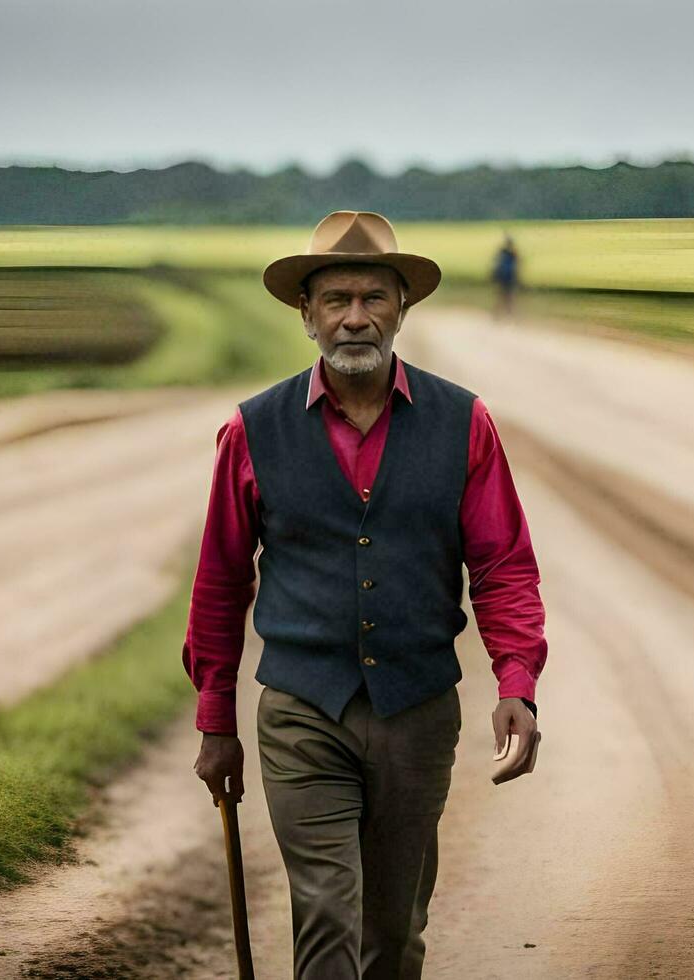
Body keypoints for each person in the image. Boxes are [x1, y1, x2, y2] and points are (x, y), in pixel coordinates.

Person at [182, 210, 548, 979]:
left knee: (395, 932)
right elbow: (220, 580)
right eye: (337, 299)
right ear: (306, 315)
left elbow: (504, 564)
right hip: (301, 710)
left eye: (374, 298)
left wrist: (517, 678)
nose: (356, 317)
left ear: (401, 310)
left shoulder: (464, 422)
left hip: (418, 710)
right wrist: (216, 717)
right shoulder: (252, 431)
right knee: (325, 913)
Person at [490, 233, 519, 319]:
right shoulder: (512, 253)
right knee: (506, 297)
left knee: (503, 297)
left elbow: (497, 264)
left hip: (505, 278)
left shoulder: (504, 252)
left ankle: (501, 315)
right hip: (507, 278)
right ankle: (505, 315)